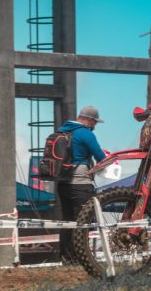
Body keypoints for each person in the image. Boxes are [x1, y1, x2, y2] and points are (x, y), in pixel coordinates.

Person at [57, 106, 106, 262]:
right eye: (95, 122)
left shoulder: (63, 131)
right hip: (80, 184)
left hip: (62, 183)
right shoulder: (85, 133)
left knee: (67, 221)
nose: (95, 126)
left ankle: (66, 258)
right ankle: (82, 259)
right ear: (89, 120)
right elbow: (101, 157)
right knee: (83, 222)